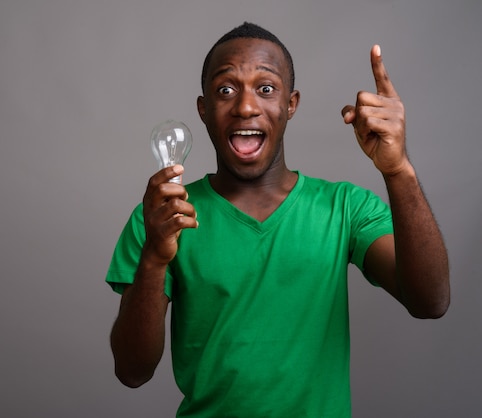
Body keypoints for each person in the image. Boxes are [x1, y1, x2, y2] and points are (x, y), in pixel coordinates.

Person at [106, 22, 450, 417]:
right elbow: (132, 371)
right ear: (204, 110)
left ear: (291, 104)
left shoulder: (345, 208)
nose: (246, 106)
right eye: (225, 90)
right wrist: (153, 256)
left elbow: (431, 300)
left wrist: (399, 170)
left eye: (266, 89)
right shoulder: (163, 218)